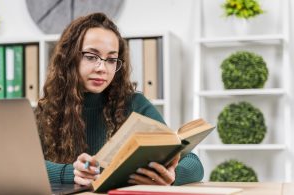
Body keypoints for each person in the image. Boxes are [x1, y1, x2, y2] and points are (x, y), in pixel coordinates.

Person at [35, 12, 203, 187]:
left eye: (111, 59)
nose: (102, 68)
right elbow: (21, 165)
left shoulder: (134, 104)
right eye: (91, 57)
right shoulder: (47, 110)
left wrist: (174, 176)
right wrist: (71, 172)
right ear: (69, 57)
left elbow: (193, 163)